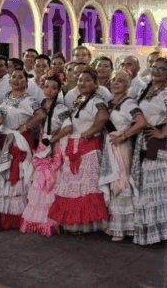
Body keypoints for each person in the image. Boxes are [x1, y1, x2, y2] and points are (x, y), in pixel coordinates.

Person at [48, 69, 111, 233]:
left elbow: (103, 116)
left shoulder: (97, 99)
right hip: (74, 144)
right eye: (80, 80)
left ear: (96, 84)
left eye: (87, 80)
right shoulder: (78, 99)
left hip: (88, 146)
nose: (83, 83)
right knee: (73, 184)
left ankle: (88, 223)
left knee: (87, 183)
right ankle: (74, 222)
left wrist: (90, 132)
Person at [0, 69, 44, 230]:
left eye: (20, 77)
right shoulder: (6, 99)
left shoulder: (29, 99)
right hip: (5, 139)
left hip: (20, 140)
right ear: (9, 80)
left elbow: (41, 115)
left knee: (19, 175)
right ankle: (6, 218)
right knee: (6, 177)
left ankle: (21, 217)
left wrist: (26, 126)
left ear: (26, 81)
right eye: (13, 77)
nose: (17, 80)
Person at [132, 57, 167, 246]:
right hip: (145, 141)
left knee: (159, 187)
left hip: (158, 144)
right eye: (154, 68)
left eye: (162, 69)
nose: (157, 72)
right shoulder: (147, 90)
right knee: (149, 188)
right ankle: (153, 231)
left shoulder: (166, 93)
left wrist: (163, 132)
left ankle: (164, 233)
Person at [21, 74, 71, 236]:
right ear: (42, 87)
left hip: (53, 147)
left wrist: (53, 140)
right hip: (40, 145)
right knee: (39, 181)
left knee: (51, 181)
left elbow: (68, 127)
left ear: (59, 90)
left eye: (54, 88)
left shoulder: (61, 108)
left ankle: (50, 220)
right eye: (47, 87)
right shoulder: (40, 105)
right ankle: (37, 220)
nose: (50, 90)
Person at [102, 70, 147, 241]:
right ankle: (115, 224)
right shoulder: (108, 103)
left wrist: (124, 135)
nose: (115, 83)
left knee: (122, 182)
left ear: (128, 85)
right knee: (113, 182)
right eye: (113, 79)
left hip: (121, 146)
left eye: (120, 81)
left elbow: (142, 122)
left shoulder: (129, 103)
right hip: (109, 146)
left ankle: (125, 227)